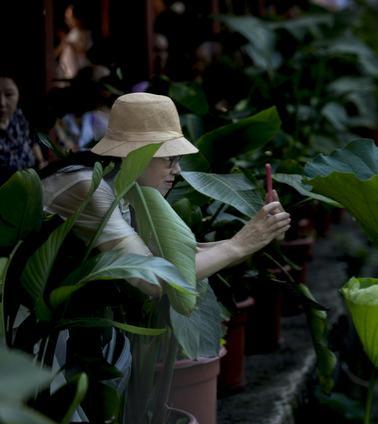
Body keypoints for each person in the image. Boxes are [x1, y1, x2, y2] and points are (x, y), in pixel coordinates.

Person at [41, 92, 291, 297]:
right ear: (134, 156)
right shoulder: (90, 187)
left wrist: (259, 234)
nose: (178, 169)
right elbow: (153, 278)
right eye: (171, 159)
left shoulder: (125, 186)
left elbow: (183, 257)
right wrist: (241, 243)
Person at [0, 73, 46, 184]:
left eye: (9, 94)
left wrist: (41, 163)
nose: (1, 103)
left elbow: (31, 140)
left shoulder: (18, 115)